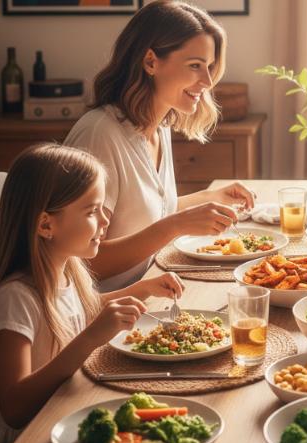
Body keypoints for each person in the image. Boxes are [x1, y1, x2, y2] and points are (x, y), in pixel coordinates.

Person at [0, 145, 185, 443]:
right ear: (46, 225)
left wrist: (142, 289)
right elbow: (14, 408)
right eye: (92, 211)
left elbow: (76, 310)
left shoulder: (68, 268)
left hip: (60, 411)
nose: (105, 222)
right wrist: (89, 339)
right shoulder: (14, 299)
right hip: (24, 438)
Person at [65, 0, 255, 291]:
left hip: (154, 285)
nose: (207, 81)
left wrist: (210, 197)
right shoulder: (100, 135)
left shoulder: (159, 126)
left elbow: (140, 215)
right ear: (151, 61)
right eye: (195, 66)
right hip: (108, 311)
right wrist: (176, 225)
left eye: (210, 67)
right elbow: (78, 263)